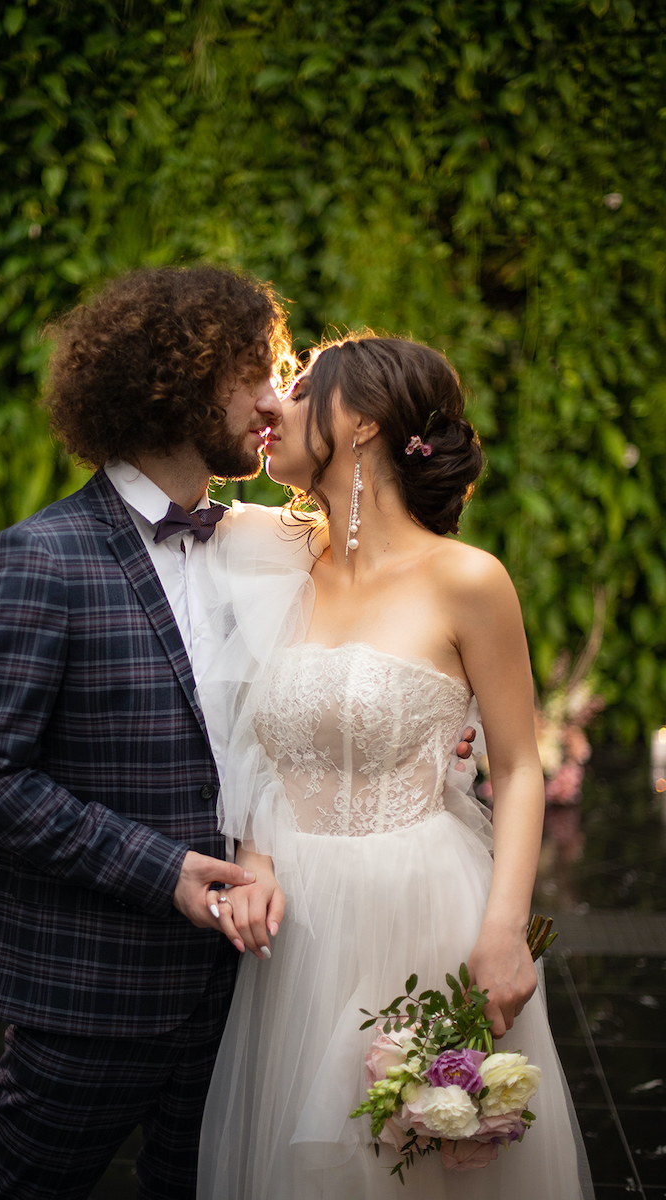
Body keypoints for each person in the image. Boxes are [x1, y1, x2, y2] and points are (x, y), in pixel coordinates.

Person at [196, 335, 594, 1199]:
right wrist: (256, 852)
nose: (276, 408)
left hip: (420, 904)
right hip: (290, 925)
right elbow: (247, 736)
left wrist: (505, 931)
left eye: (302, 388)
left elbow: (519, 766)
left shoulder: (468, 580)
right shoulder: (268, 553)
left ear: (364, 421)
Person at [0, 265, 293, 1200]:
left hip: (242, 993)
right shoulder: (38, 556)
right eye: (252, 375)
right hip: (87, 994)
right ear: (177, 382)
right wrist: (162, 871)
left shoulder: (261, 548)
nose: (274, 400)